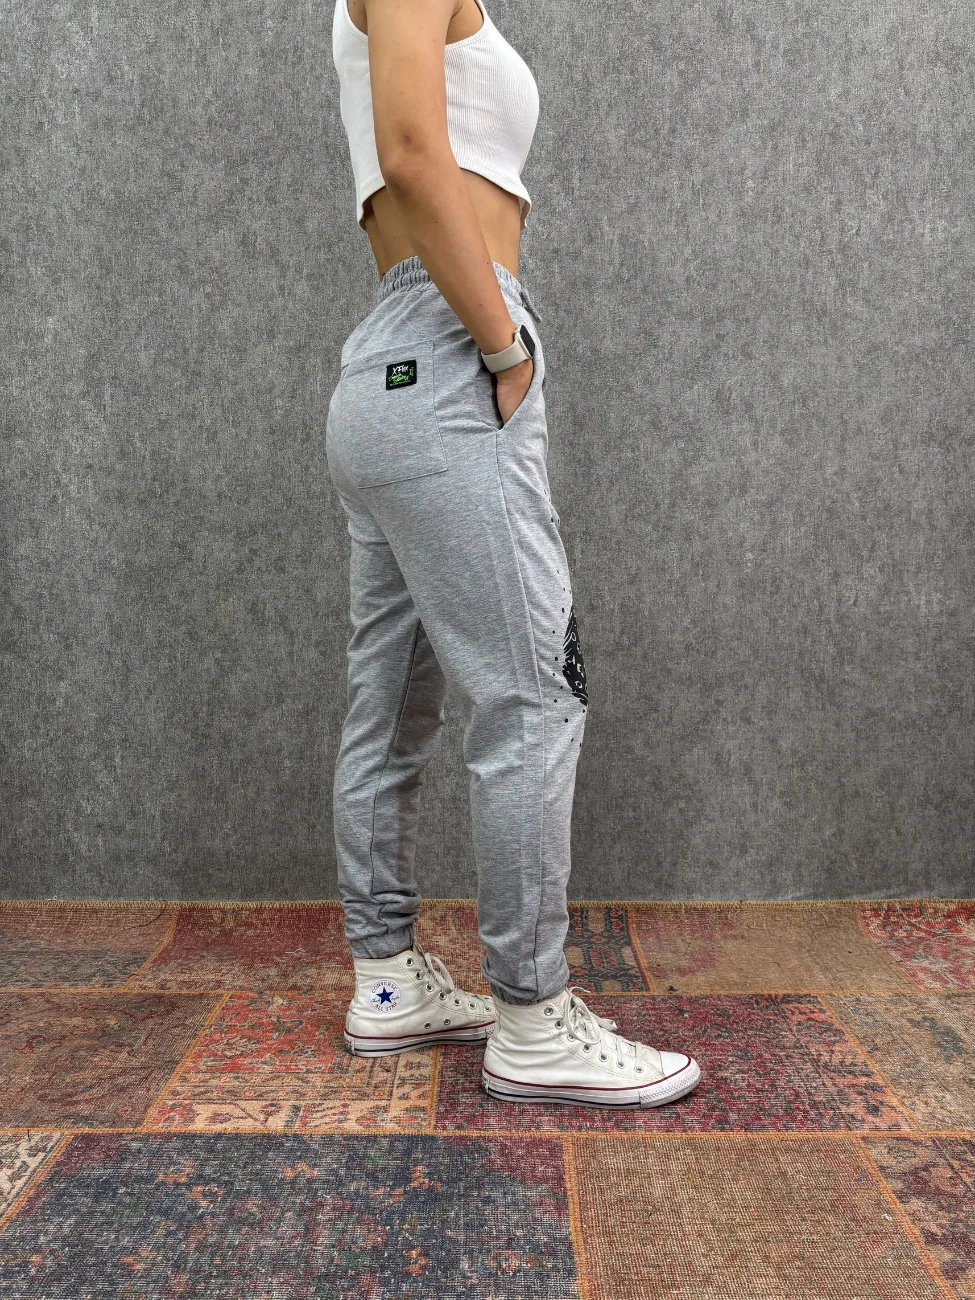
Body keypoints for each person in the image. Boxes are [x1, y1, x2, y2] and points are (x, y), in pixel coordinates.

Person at [326, 0, 701, 1108]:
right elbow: (409, 149)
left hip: (387, 369)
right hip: (449, 353)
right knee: (534, 697)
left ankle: (388, 981)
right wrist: (501, 341)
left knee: (391, 705)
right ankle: (533, 1020)